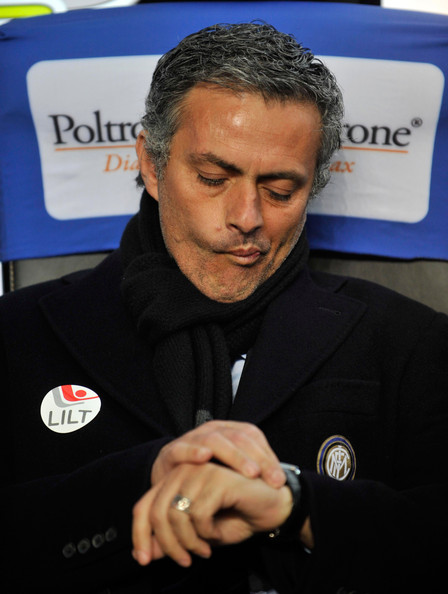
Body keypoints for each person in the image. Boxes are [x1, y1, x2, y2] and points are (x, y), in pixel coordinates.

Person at [1, 22, 447, 594]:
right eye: (213, 179)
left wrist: (298, 506)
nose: (247, 217)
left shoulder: (409, 343)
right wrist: (141, 482)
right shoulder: (17, 335)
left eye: (281, 191)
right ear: (152, 164)